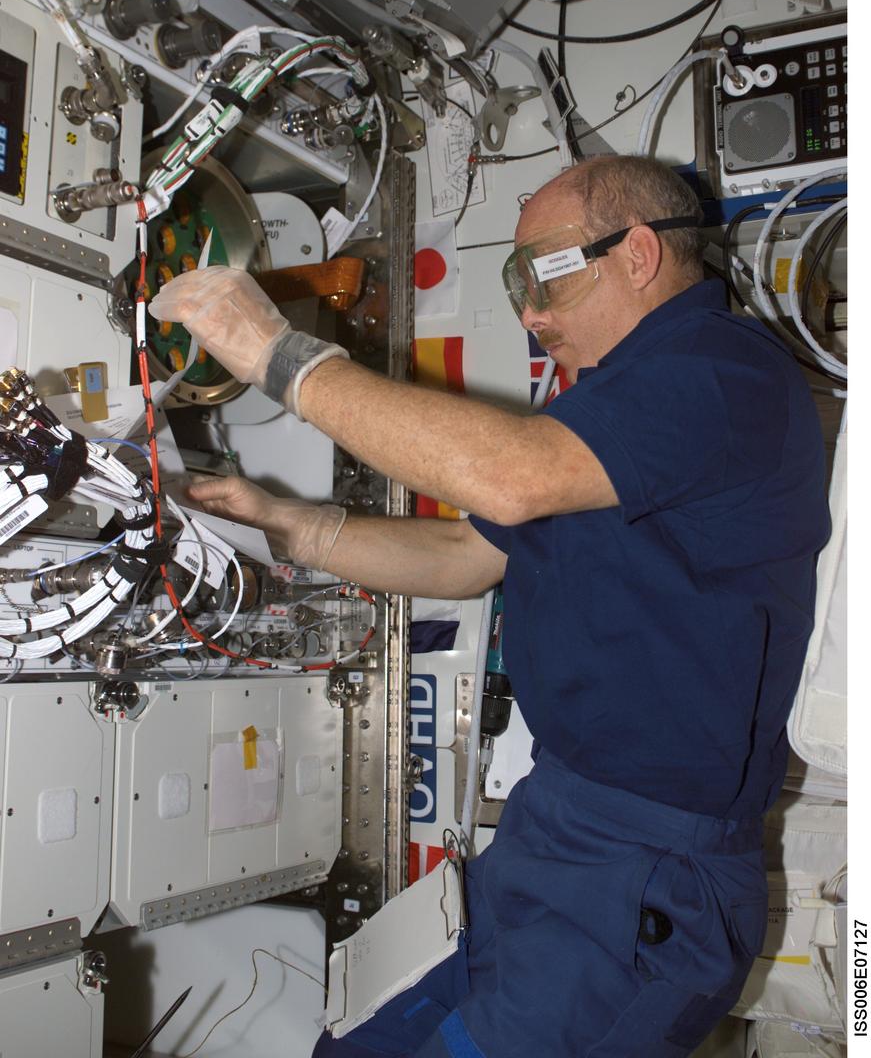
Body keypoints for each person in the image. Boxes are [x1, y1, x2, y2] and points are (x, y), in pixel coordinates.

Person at [149, 155, 830, 1058]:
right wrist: (289, 524)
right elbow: (465, 557)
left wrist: (282, 360)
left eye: (541, 275)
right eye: (516, 285)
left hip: (648, 873)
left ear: (636, 256)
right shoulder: (610, 411)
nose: (531, 314)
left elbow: (508, 479)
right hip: (558, 826)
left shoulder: (720, 372)